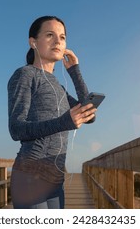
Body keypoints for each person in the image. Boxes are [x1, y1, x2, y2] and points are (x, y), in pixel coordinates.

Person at [7, 15, 97, 209]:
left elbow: (90, 115)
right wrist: (64, 122)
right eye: (50, 35)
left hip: (56, 180)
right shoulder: (25, 75)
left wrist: (75, 71)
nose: (58, 41)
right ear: (33, 42)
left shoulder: (58, 86)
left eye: (62, 37)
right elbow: (16, 129)